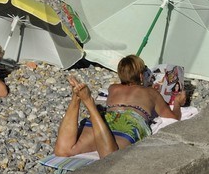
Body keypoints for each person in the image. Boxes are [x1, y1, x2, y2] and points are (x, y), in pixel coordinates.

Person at [53, 54, 186, 159]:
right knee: (110, 157)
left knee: (63, 151)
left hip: (105, 119)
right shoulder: (151, 93)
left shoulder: (113, 88)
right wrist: (178, 104)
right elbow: (173, 117)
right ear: (140, 75)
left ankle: (76, 99)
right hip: (131, 120)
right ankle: (89, 103)